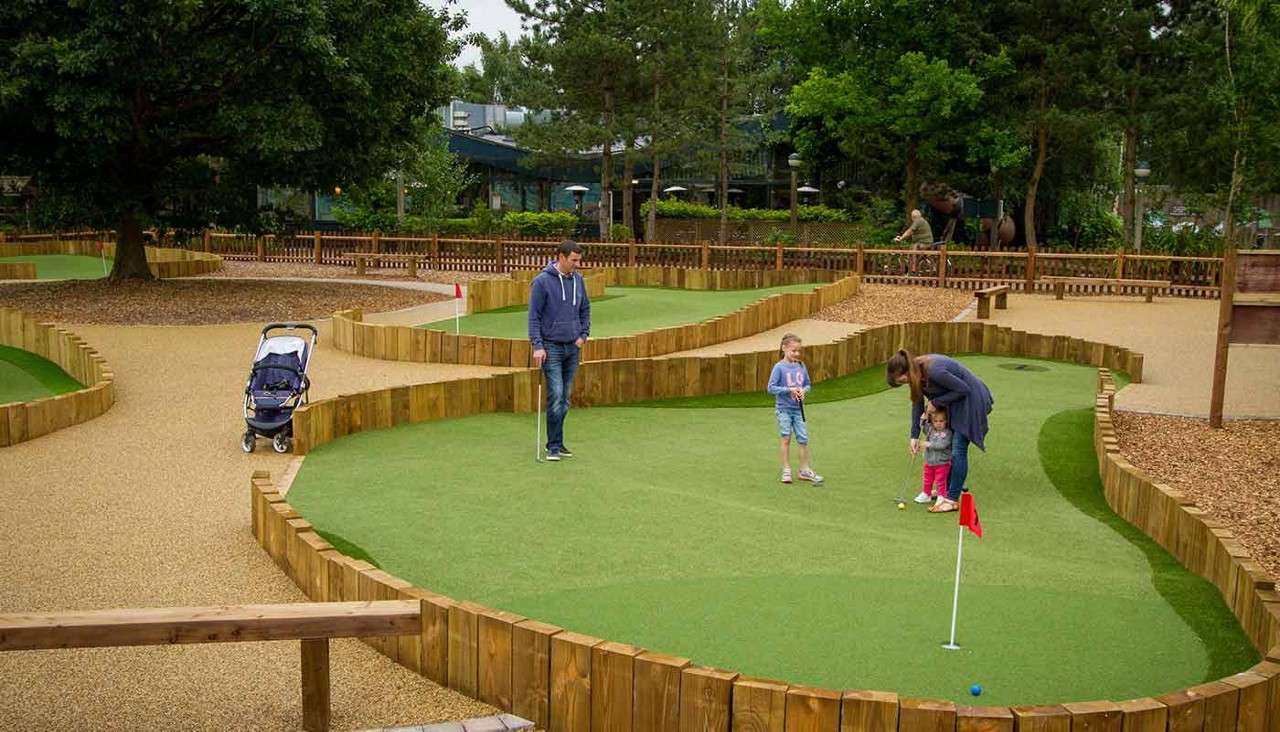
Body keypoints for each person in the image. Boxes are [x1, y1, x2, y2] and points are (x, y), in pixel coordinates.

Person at [886, 350, 993, 513]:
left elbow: (963, 389)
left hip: (972, 400)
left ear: (907, 371)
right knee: (951, 447)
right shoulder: (916, 376)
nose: (904, 383)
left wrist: (936, 402)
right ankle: (947, 490)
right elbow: (917, 404)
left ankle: (952, 500)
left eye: (902, 380)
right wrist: (914, 436)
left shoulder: (935, 371)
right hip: (957, 402)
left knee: (958, 448)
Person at [528, 240, 591, 461]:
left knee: (565, 398)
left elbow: (585, 309)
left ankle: (557, 441)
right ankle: (553, 446)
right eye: (573, 260)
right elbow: (534, 316)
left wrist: (583, 335)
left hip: (573, 346)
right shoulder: (542, 282)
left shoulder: (578, 280)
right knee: (555, 395)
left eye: (578, 260)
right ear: (561, 257)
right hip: (551, 347)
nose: (576, 264)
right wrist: (537, 345)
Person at [766, 333, 823, 485]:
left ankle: (804, 470)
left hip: (798, 409)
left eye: (799, 351)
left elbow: (807, 384)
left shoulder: (801, 366)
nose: (797, 354)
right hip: (784, 409)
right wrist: (789, 390)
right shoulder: (779, 367)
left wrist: (803, 391)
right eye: (793, 351)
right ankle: (786, 469)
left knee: (803, 438)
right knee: (786, 438)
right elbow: (771, 388)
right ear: (784, 348)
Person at [914, 407, 952, 505]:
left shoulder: (948, 433)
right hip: (929, 461)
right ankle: (926, 494)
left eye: (941, 421)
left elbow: (942, 445)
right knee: (927, 479)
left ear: (946, 421)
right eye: (935, 421)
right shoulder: (931, 429)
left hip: (942, 462)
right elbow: (923, 427)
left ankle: (941, 496)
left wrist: (928, 444)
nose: (938, 424)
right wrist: (923, 419)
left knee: (940, 480)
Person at [894, 209, 935, 274]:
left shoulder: (918, 221)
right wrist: (902, 237)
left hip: (924, 243)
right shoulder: (922, 221)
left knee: (914, 249)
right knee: (912, 249)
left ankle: (913, 269)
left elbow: (909, 231)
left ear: (913, 217)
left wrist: (901, 238)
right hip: (926, 242)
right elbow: (912, 233)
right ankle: (913, 267)